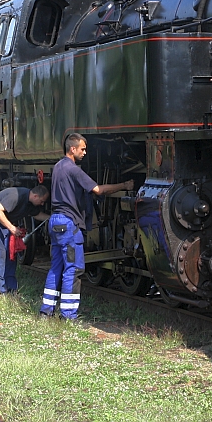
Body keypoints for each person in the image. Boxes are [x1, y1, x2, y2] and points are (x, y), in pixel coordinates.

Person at [40, 133, 133, 320]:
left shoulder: (57, 167)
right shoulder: (73, 169)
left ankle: (46, 311)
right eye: (82, 149)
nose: (85, 152)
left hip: (55, 220)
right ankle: (68, 314)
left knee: (56, 267)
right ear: (72, 149)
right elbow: (98, 189)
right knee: (73, 269)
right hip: (68, 224)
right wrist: (124, 184)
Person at [0, 185, 49, 294]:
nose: (42, 204)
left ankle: (12, 288)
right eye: (41, 201)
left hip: (5, 220)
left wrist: (51, 217)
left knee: (11, 255)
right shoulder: (15, 196)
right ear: (35, 196)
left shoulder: (30, 203)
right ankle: (1, 290)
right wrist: (12, 228)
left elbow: (37, 214)